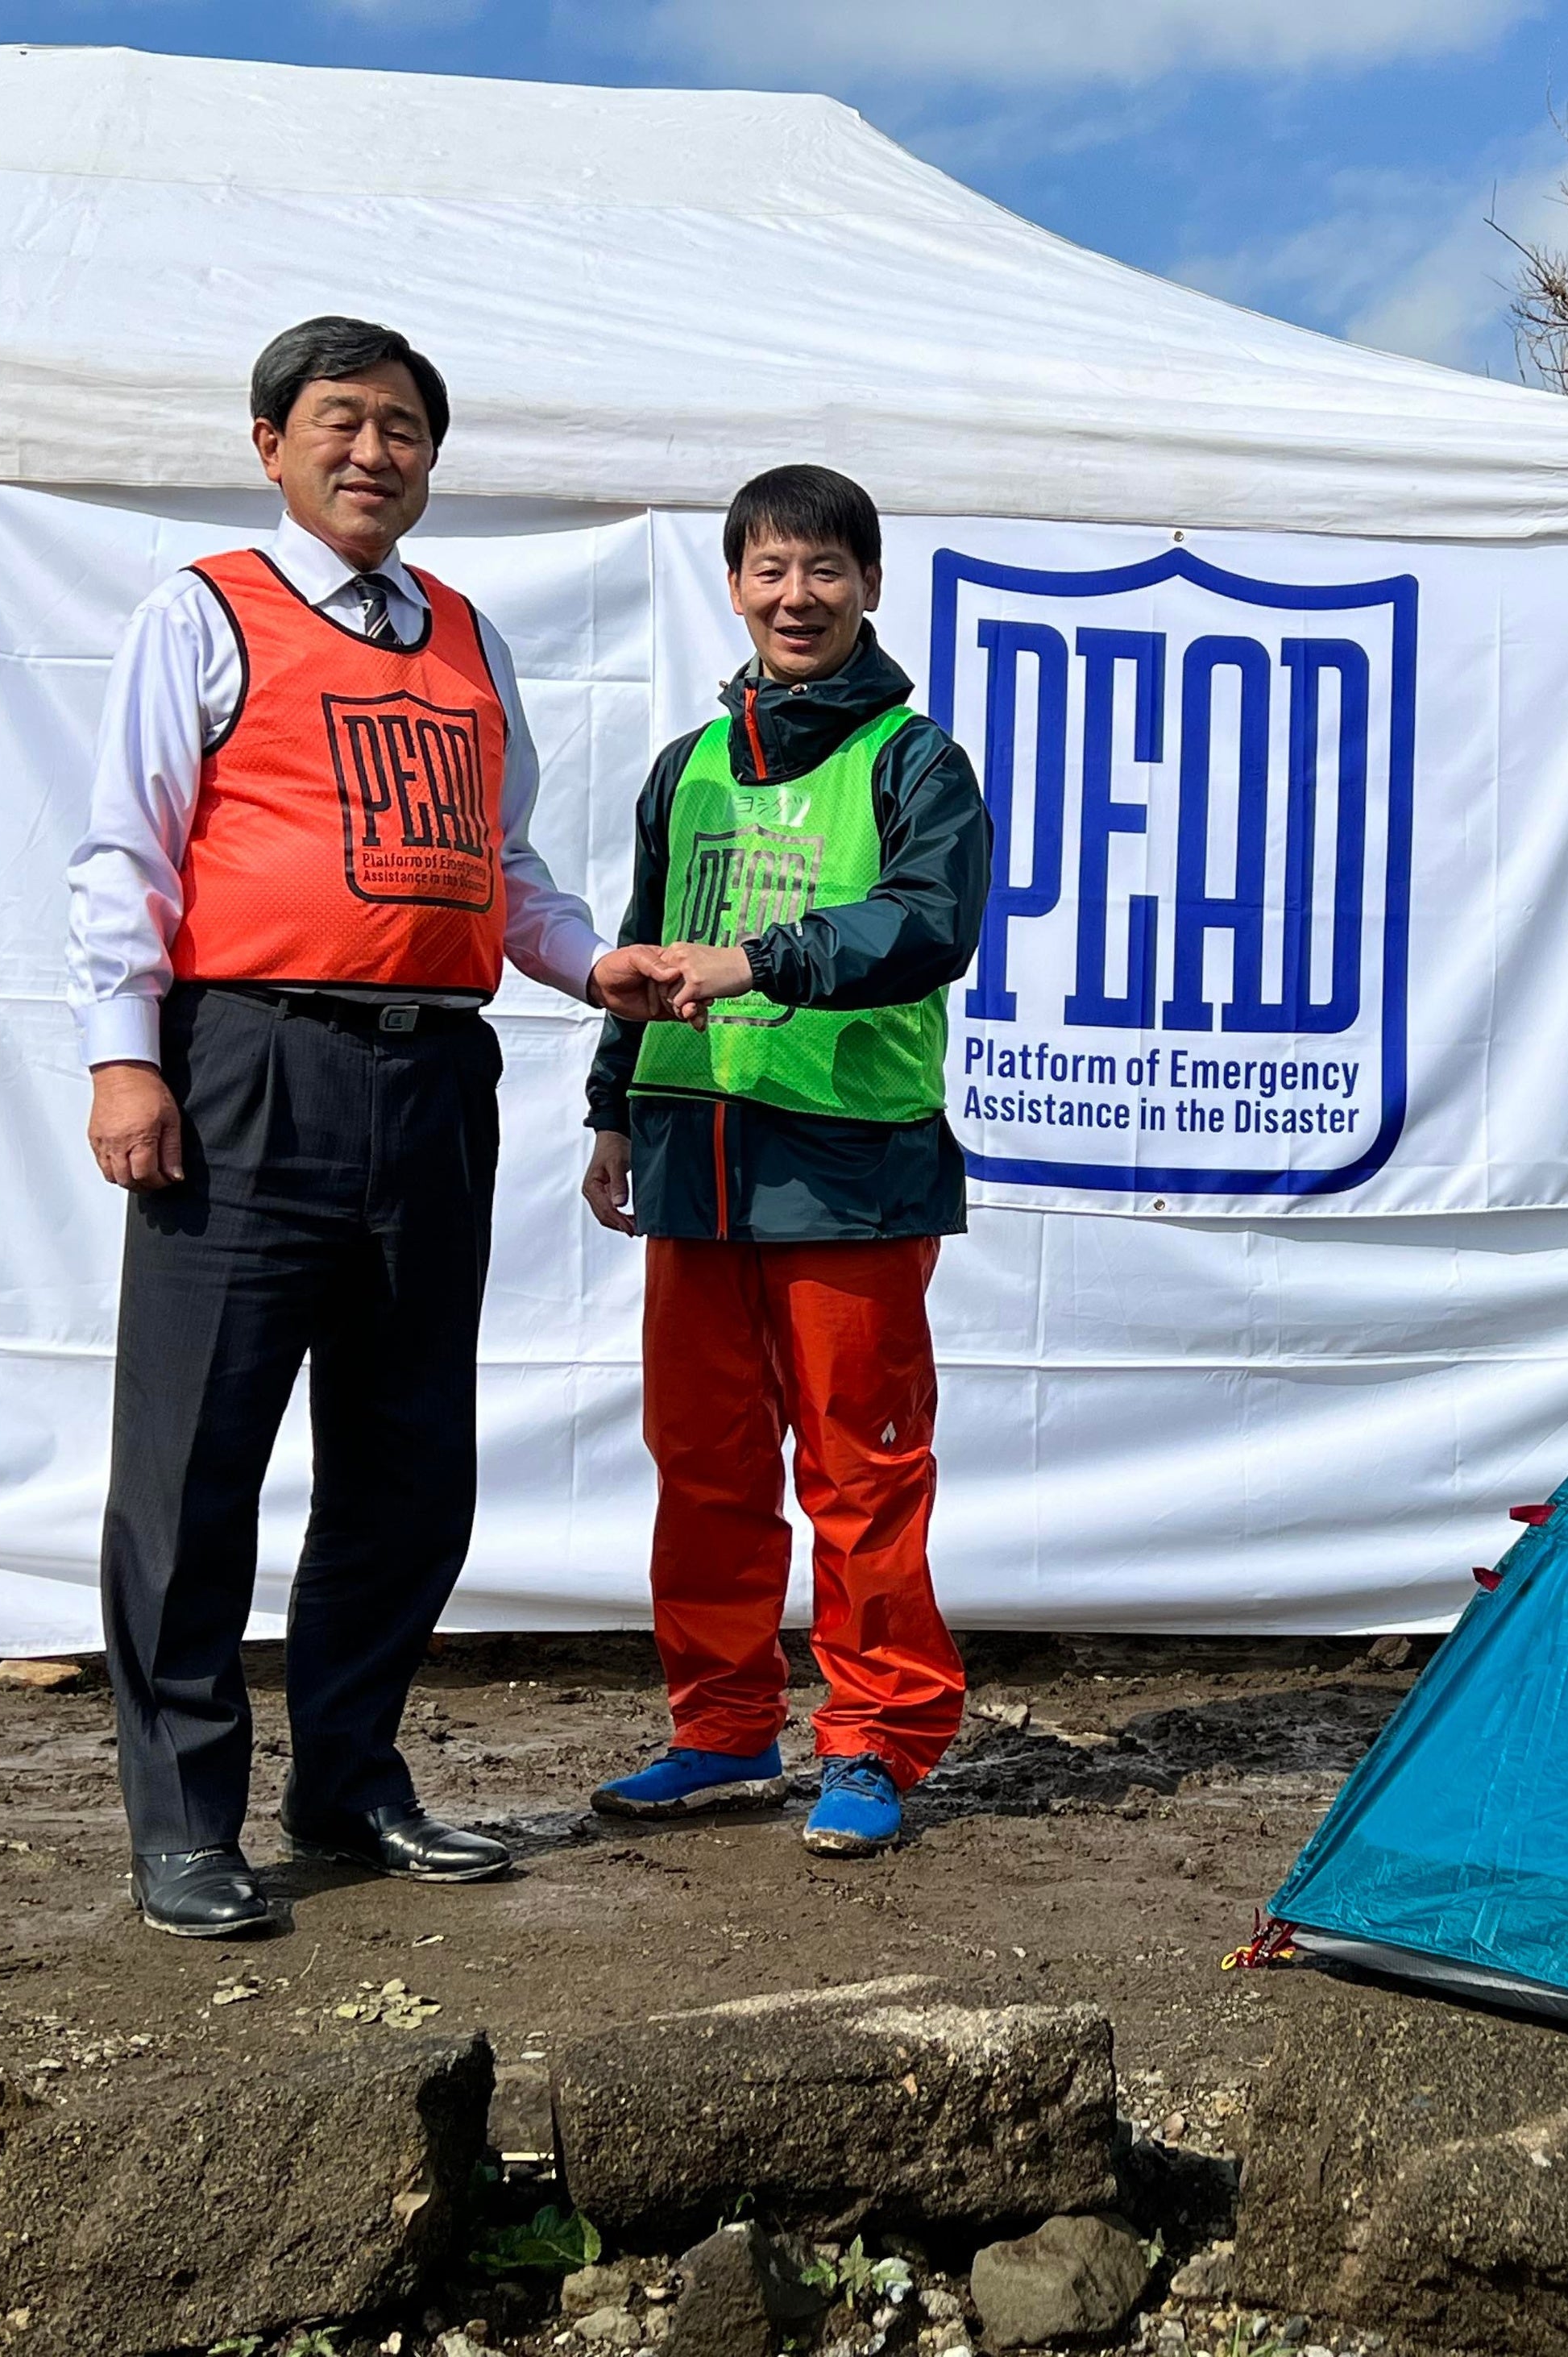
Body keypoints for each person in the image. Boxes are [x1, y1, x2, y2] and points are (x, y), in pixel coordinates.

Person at [67, 316, 674, 1938]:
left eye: (403, 426)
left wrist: (592, 962)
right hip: (246, 1065)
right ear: (270, 443)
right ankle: (185, 1821)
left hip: (432, 1080)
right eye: (340, 419)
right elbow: (126, 851)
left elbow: (507, 867)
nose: (373, 451)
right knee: (194, 1462)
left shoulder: (466, 635)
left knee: (409, 1464)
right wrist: (125, 1058)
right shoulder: (205, 612)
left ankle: (347, 1775)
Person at [582, 464, 991, 1857]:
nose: (796, 595)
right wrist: (610, 1108)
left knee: (861, 1470)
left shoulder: (916, 761)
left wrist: (760, 960)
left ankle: (876, 1736)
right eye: (769, 569)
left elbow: (929, 925)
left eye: (824, 569)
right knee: (702, 1463)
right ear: (735, 585)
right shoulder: (683, 766)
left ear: (869, 583)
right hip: (691, 1155)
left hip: (849, 1166)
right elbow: (644, 938)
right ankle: (721, 1726)